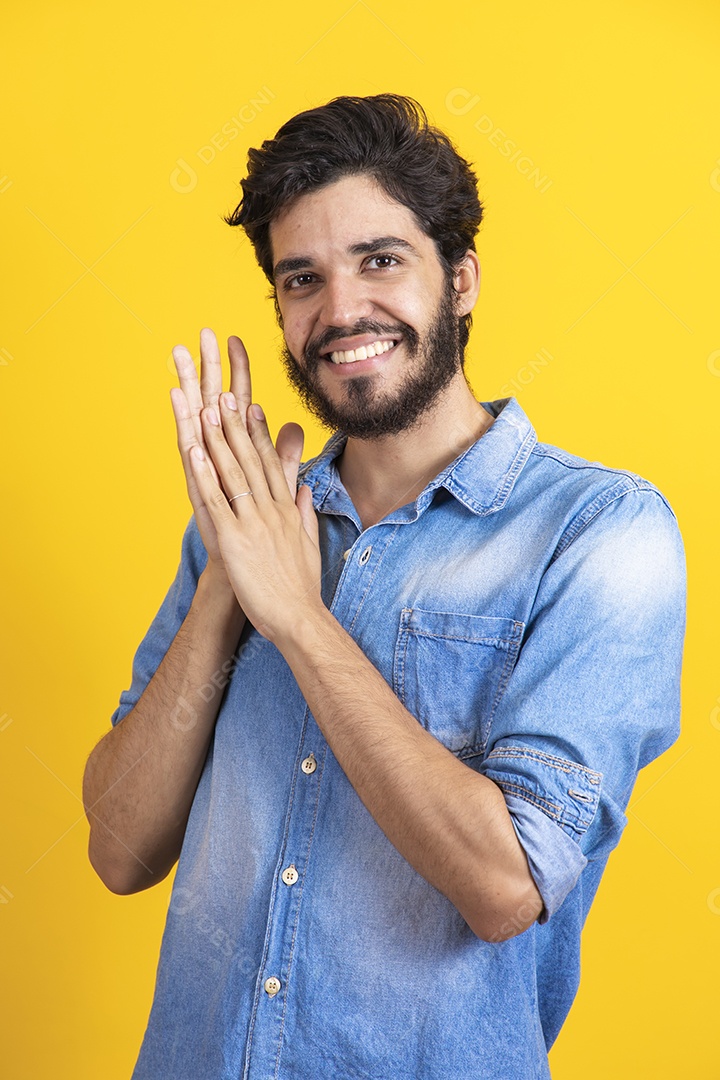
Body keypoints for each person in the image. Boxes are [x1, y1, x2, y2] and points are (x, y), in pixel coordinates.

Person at [82, 95, 686, 1079]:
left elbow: (505, 885)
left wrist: (296, 618)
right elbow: (119, 848)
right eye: (301, 278)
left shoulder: (602, 535)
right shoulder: (251, 522)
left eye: (380, 260)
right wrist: (227, 590)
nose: (341, 311)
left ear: (460, 278)